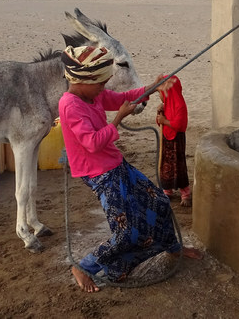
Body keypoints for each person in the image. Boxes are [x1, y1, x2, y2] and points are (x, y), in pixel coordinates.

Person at [58, 45, 201, 293]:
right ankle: (84, 267)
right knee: (127, 233)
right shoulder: (70, 105)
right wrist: (118, 119)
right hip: (99, 175)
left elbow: (123, 99)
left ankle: (173, 247)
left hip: (115, 164)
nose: (104, 88)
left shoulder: (92, 95)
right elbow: (91, 143)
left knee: (159, 202)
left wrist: (152, 87)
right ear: (83, 80)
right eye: (100, 83)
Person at [155, 75, 192, 207]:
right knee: (166, 165)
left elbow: (180, 124)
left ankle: (185, 193)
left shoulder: (179, 105)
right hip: (166, 139)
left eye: (160, 93)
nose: (160, 96)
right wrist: (160, 115)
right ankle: (167, 190)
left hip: (176, 140)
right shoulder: (166, 105)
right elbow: (160, 123)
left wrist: (164, 121)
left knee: (178, 165)